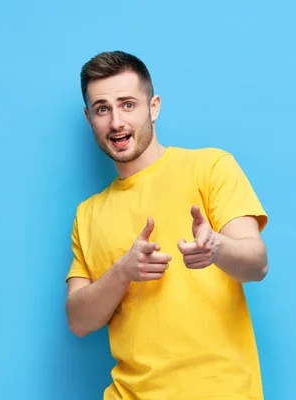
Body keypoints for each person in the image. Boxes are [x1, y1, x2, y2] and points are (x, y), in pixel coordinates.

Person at [64, 50, 269, 400]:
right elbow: (78, 321)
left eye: (128, 104)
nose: (116, 122)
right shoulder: (88, 213)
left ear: (153, 106)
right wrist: (123, 271)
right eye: (102, 109)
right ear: (89, 118)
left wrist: (216, 247)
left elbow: (257, 263)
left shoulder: (210, 167)